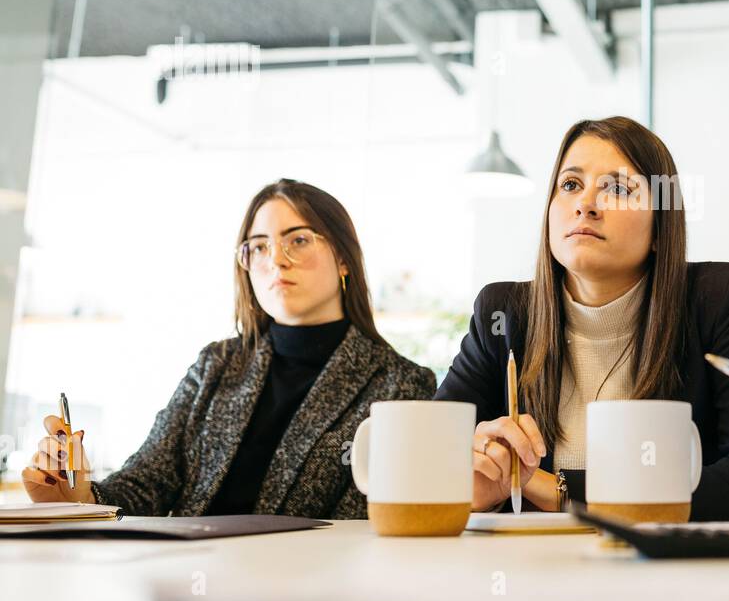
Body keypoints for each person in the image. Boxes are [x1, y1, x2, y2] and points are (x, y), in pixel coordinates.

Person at [23, 178, 436, 518]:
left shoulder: (401, 383)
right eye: (258, 246)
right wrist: (78, 497)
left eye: (299, 240)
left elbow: (366, 525)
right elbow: (146, 482)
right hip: (188, 589)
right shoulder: (217, 365)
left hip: (312, 599)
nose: (276, 260)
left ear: (344, 258)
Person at [437, 116, 729, 520]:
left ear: (659, 227)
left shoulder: (713, 298)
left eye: (617, 188)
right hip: (529, 572)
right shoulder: (503, 312)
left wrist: (559, 490)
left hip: (668, 575)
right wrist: (476, 479)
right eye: (570, 185)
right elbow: (433, 464)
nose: (585, 204)